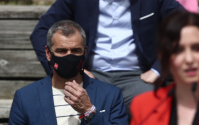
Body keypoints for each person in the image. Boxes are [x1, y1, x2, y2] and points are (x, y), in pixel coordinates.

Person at [30, 0, 184, 116]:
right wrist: (67, 70)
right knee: (69, 103)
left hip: (139, 77)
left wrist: (159, 69)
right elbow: (41, 32)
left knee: (154, 105)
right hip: (91, 76)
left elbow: (186, 26)